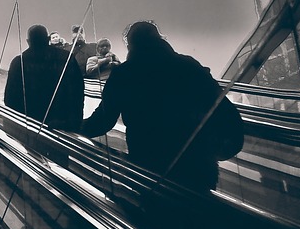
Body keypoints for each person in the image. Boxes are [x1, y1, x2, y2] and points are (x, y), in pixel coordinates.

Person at [82, 21, 232, 193]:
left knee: (157, 212)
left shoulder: (125, 73)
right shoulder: (188, 66)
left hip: (149, 162)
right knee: (199, 212)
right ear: (160, 38)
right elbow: (220, 107)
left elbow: (103, 120)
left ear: (130, 45)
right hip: (198, 162)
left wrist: (74, 126)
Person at [3, 24, 84, 132]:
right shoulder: (66, 58)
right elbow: (77, 91)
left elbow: (10, 98)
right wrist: (73, 122)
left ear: (28, 41)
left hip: (30, 124)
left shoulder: (19, 62)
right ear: (47, 39)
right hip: (61, 123)